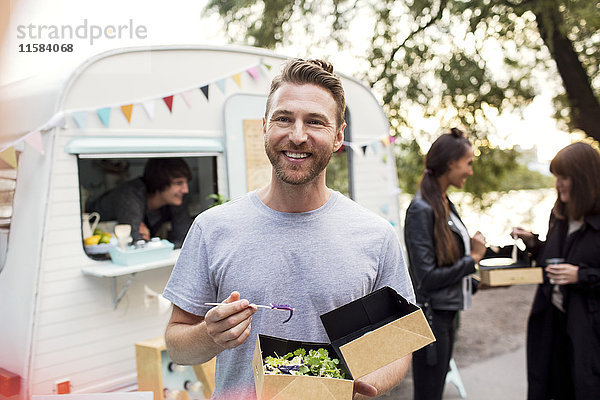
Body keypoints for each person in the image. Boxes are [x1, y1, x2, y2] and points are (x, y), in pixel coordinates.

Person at [162, 58, 415, 399]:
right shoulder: (213, 228)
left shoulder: (375, 235)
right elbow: (177, 347)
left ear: (339, 137)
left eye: (315, 122)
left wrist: (362, 386)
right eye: (284, 119)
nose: (297, 136)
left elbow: (398, 344)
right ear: (264, 126)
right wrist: (210, 335)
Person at [512, 142, 600, 400]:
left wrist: (581, 276)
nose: (558, 184)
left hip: (589, 331)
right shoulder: (559, 214)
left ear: (584, 179)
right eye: (556, 177)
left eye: (564, 177)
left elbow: (578, 267)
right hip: (553, 323)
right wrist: (533, 243)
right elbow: (554, 259)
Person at [403, 128, 487, 400]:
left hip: (448, 314)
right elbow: (426, 278)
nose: (471, 171)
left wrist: (473, 280)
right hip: (431, 319)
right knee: (429, 393)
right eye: (469, 163)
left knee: (436, 391)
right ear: (452, 163)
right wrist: (472, 259)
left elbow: (445, 263)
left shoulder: (444, 202)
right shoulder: (421, 209)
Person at [86, 157, 192, 248]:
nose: (185, 190)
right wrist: (148, 242)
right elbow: (136, 243)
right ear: (160, 181)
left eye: (186, 182)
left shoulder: (176, 198)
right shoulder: (130, 195)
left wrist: (150, 241)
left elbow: (186, 241)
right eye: (179, 183)